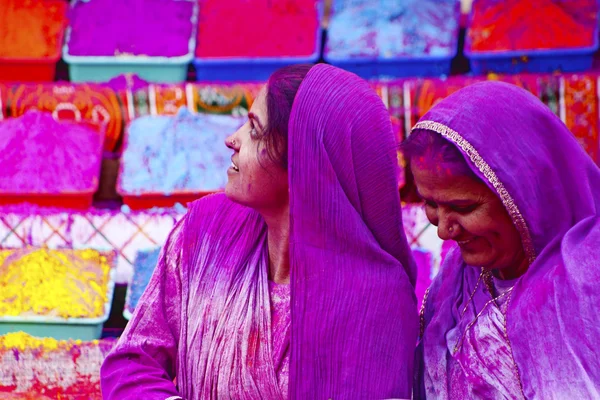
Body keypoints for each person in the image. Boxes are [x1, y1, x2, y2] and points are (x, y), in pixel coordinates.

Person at [101, 63, 418, 399]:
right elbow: (132, 363)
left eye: (254, 130)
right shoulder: (205, 232)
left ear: (303, 162)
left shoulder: (375, 305)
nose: (231, 139)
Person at [402, 81, 600, 399]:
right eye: (431, 204)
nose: (443, 230)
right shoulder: (456, 282)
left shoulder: (585, 284)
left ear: (524, 194)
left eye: (463, 207)